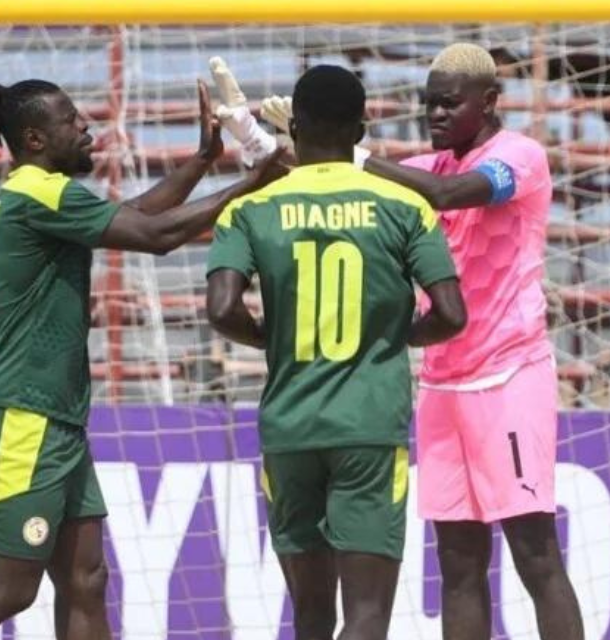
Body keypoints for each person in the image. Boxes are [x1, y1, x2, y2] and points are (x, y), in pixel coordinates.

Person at [217, 43, 585, 640]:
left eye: (449, 104)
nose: (435, 115)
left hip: (509, 376)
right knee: (458, 561)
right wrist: (254, 137)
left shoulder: (520, 157)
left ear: (490, 101)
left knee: (534, 551)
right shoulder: (424, 167)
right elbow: (320, 184)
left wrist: (352, 152)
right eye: (428, 105)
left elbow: (446, 194)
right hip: (439, 381)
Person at [0, 79, 281, 640]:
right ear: (34, 137)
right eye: (71, 120)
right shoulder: (39, 190)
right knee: (11, 587)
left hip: (54, 418)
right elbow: (154, 236)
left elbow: (133, 215)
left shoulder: (42, 191)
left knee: (86, 579)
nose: (86, 127)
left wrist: (204, 162)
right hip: (22, 415)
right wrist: (253, 182)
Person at [205, 65, 466, 640]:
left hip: (290, 426)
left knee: (312, 618)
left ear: (292, 126)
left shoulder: (251, 208)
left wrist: (269, 339)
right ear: (362, 127)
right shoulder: (403, 206)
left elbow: (222, 308)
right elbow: (451, 314)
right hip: (368, 425)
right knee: (367, 617)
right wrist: (394, 335)